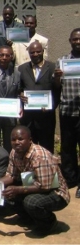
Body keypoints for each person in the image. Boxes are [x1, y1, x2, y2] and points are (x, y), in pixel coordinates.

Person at [0, 126, 70, 237]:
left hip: (55, 192)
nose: (16, 142)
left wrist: (17, 189)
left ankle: (49, 223)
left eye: (20, 139)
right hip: (33, 185)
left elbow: (45, 186)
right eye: (13, 140)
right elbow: (11, 175)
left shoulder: (40, 156)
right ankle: (28, 219)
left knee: (31, 202)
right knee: (5, 193)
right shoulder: (14, 152)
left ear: (30, 140)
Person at [54, 28, 80, 198]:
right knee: (68, 148)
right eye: (75, 39)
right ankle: (70, 179)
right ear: (70, 41)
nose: (77, 42)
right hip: (67, 111)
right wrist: (57, 78)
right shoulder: (62, 62)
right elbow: (57, 88)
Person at [18, 42, 58, 153]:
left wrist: (51, 106)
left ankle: (47, 170)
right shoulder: (22, 69)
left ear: (43, 51)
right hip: (28, 119)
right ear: (29, 53)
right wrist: (20, 96)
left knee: (47, 150)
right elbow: (18, 89)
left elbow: (57, 91)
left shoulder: (52, 68)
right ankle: (30, 171)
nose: (35, 54)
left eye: (38, 51)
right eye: (32, 52)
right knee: (29, 150)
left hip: (46, 118)